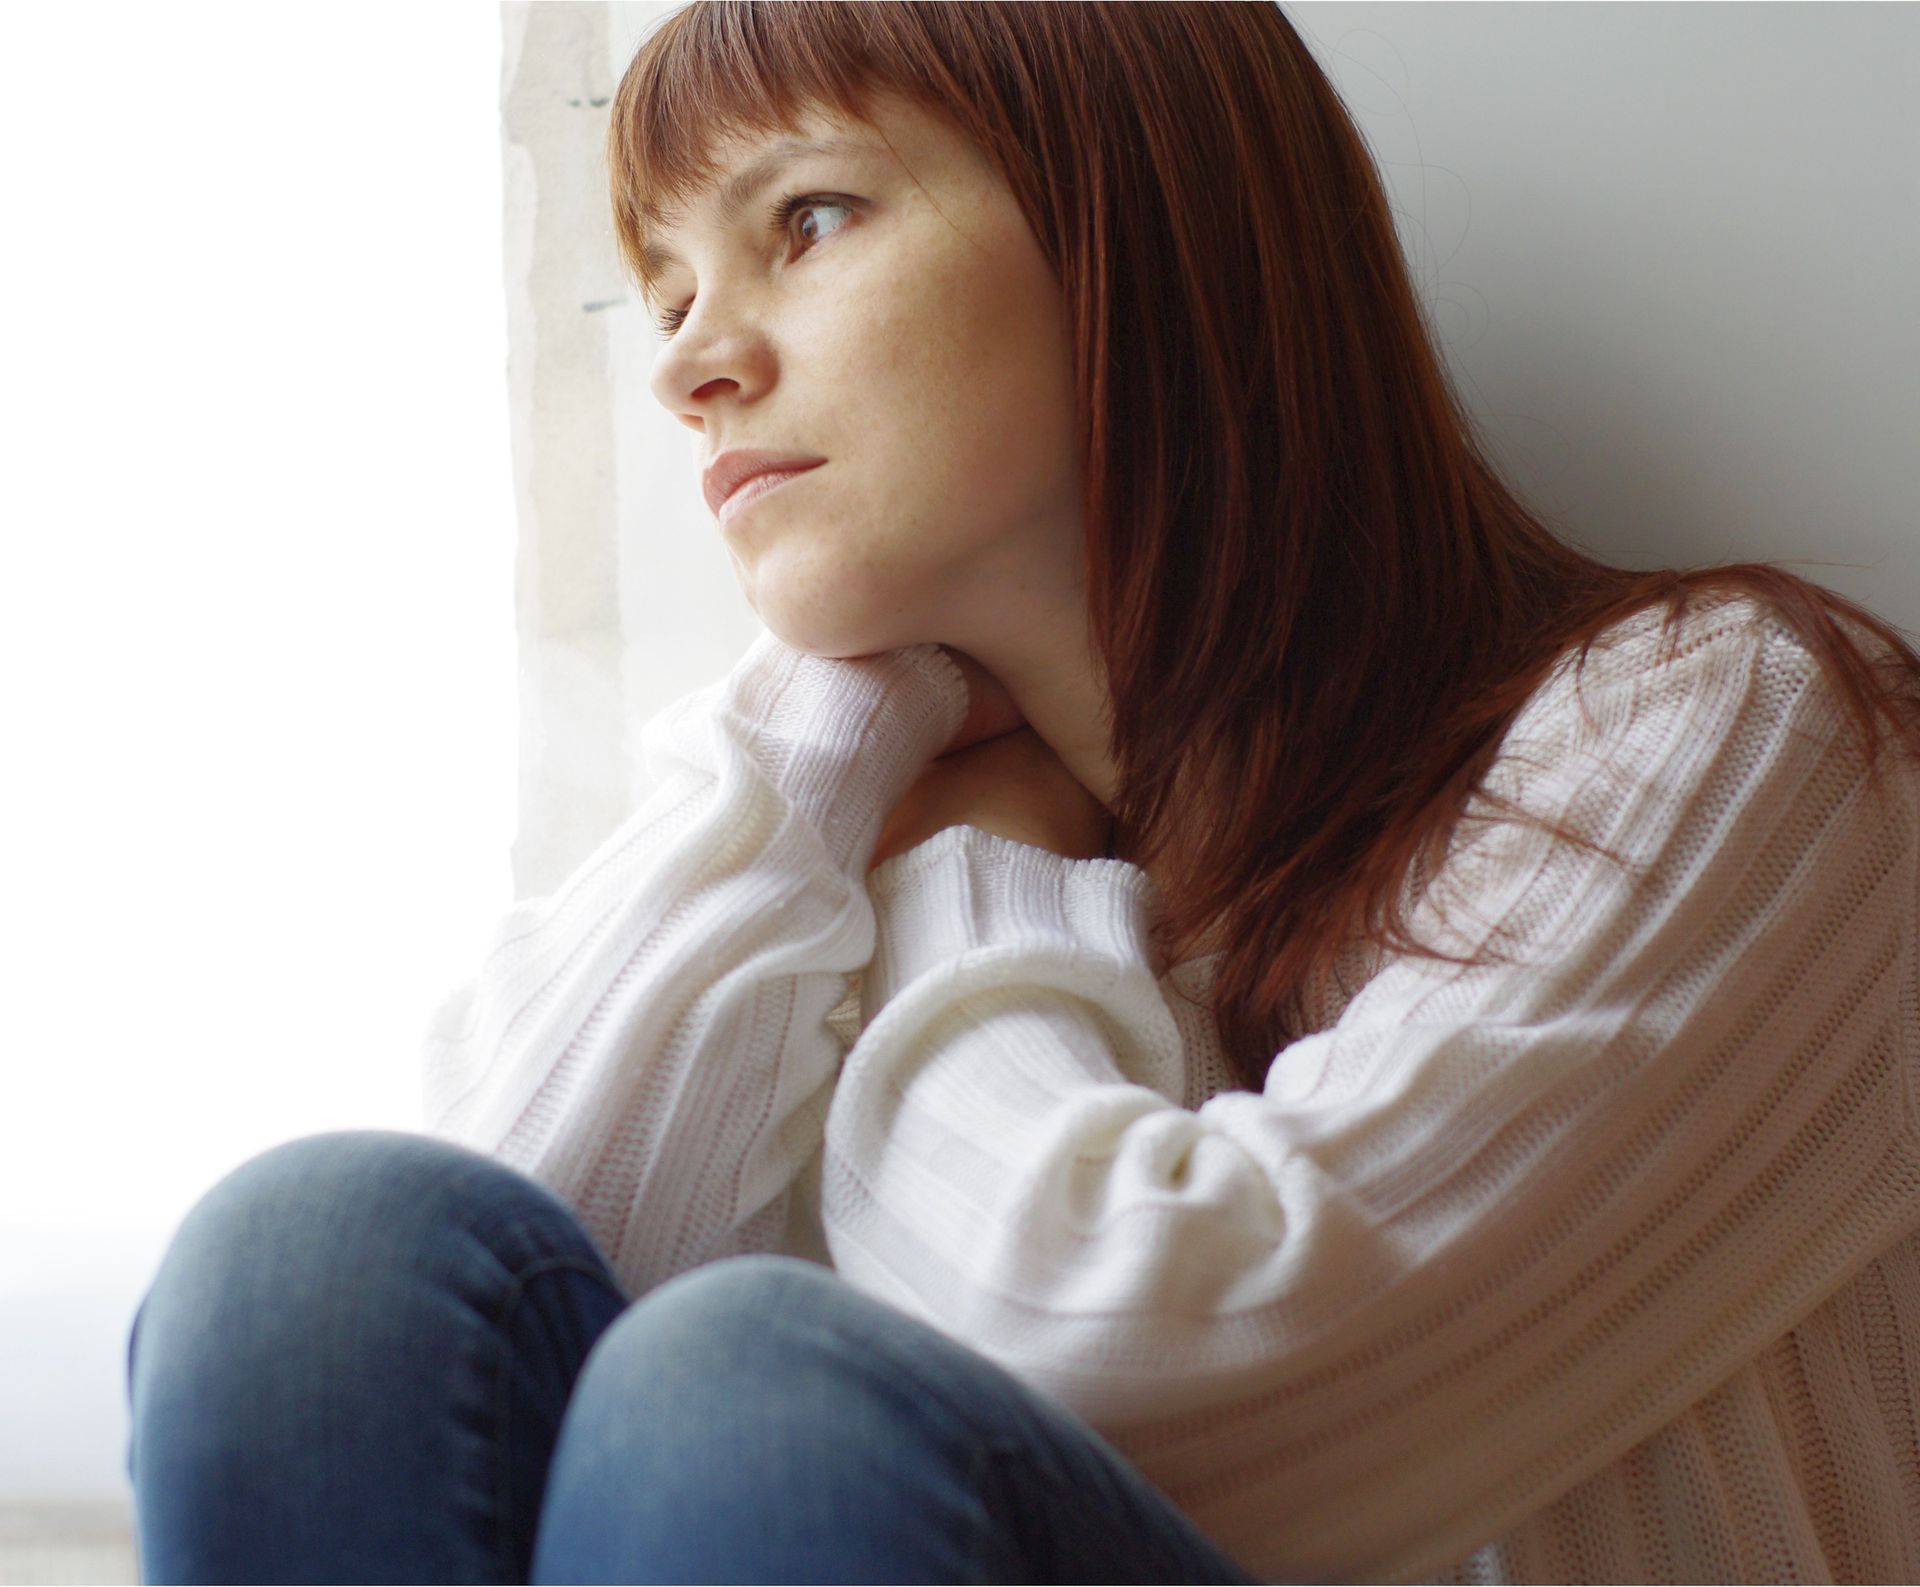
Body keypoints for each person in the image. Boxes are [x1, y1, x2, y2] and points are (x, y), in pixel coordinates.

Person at [124, 3, 1920, 1582]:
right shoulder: (836, 872)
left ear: (1138, 232)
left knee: (744, 1398)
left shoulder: (1736, 732)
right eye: (665, 291)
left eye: (804, 220)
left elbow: (1149, 1377)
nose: (685, 365)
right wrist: (816, 743)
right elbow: (426, 1347)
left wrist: (974, 874)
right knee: (308, 1258)